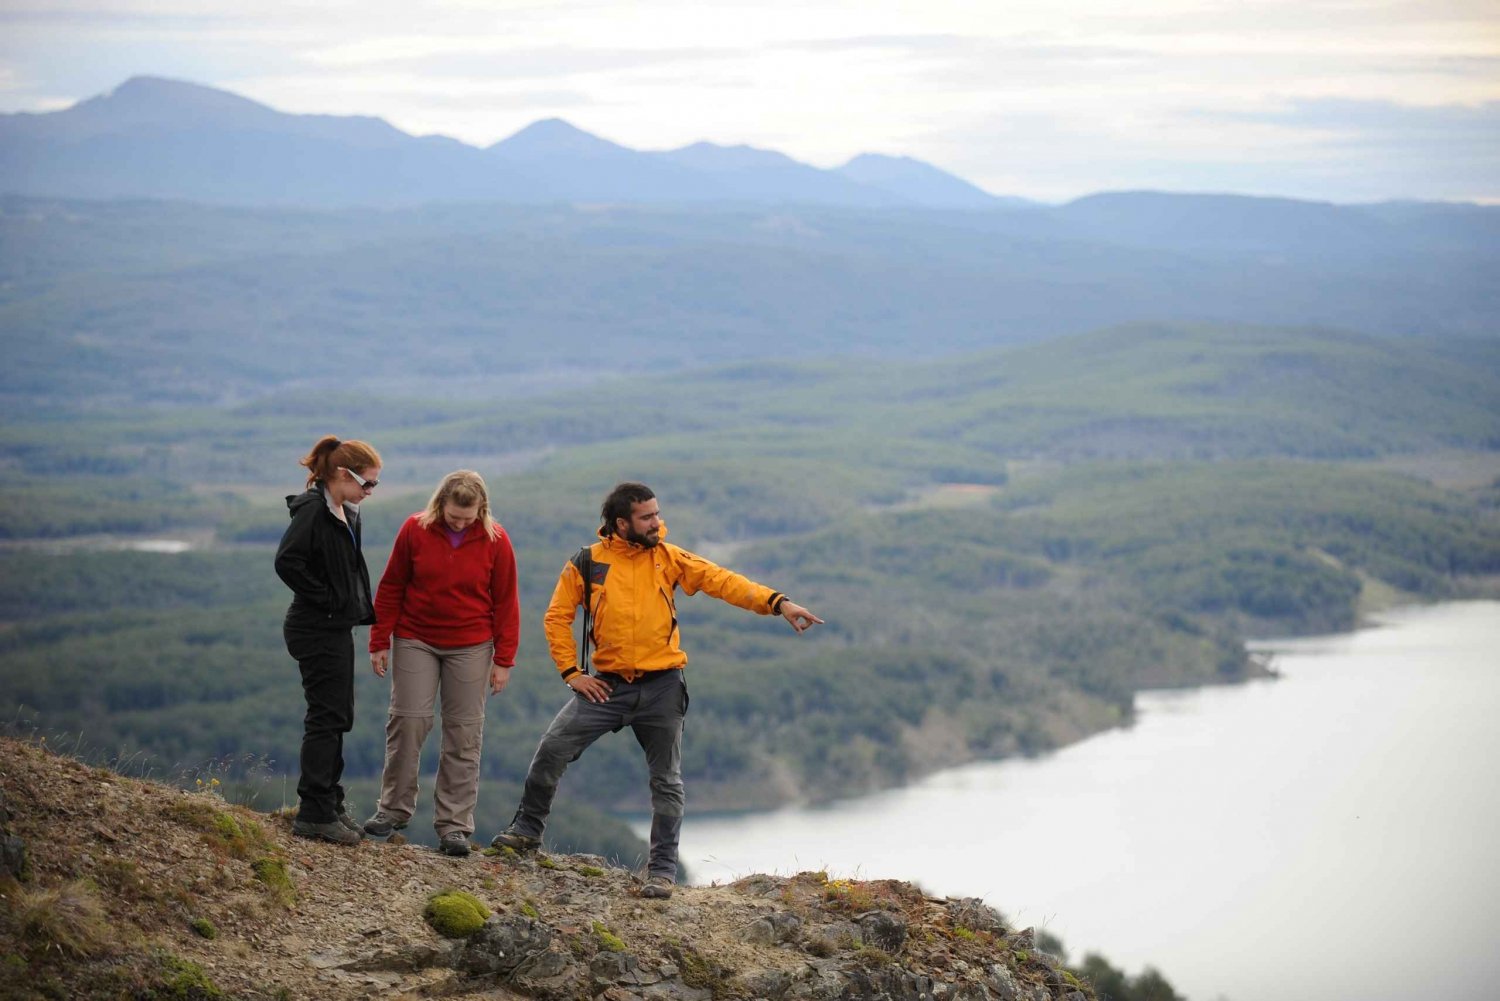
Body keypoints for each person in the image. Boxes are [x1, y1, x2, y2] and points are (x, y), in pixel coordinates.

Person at [490, 481, 823, 897]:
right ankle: (526, 833)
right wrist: (572, 673)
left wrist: (778, 603)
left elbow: (724, 582)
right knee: (552, 750)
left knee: (666, 780)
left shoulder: (669, 558)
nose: (658, 523)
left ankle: (662, 871)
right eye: (648, 517)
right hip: (605, 686)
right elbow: (557, 617)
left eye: (657, 514)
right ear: (621, 523)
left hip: (663, 686)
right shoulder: (586, 563)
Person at [362, 470, 521, 857]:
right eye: (454, 517)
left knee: (464, 734)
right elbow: (392, 586)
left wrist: (504, 660)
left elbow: (506, 601)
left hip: (471, 643)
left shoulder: (496, 540)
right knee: (408, 720)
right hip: (416, 636)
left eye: (468, 518)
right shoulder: (414, 530)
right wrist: (379, 640)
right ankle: (392, 810)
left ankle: (454, 826)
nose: (460, 523)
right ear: (440, 505)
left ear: (481, 510)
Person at [274, 435, 382, 846]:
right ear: (342, 474)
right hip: (314, 626)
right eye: (367, 483)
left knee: (339, 715)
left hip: (335, 626)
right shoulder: (314, 511)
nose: (370, 491)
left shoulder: (344, 510)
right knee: (325, 716)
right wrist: (327, 599)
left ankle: (329, 801)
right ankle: (314, 811)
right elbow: (288, 562)